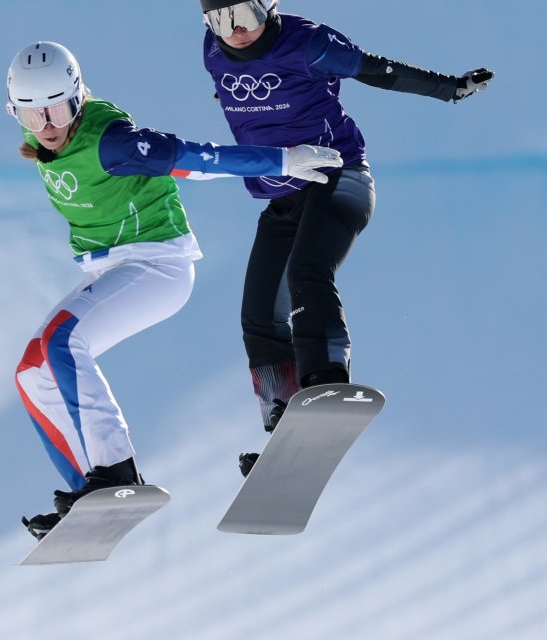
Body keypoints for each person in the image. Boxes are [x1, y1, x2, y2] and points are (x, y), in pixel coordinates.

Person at [6, 41, 343, 539]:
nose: (48, 126)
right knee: (32, 369)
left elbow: (193, 158)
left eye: (56, 109)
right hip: (112, 269)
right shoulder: (44, 140)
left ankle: (116, 468)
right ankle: (88, 487)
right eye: (32, 116)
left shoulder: (112, 141)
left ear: (78, 97)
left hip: (156, 265)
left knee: (61, 342)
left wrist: (280, 161)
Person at [198, 0, 494, 476]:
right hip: (283, 200)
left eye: (245, 17)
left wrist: (450, 88)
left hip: (340, 178)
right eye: (219, 20)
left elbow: (379, 71)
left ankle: (325, 382)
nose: (234, 31)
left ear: (269, 7)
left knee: (306, 271)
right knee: (258, 313)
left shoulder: (308, 43)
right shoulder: (213, 51)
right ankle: (284, 424)